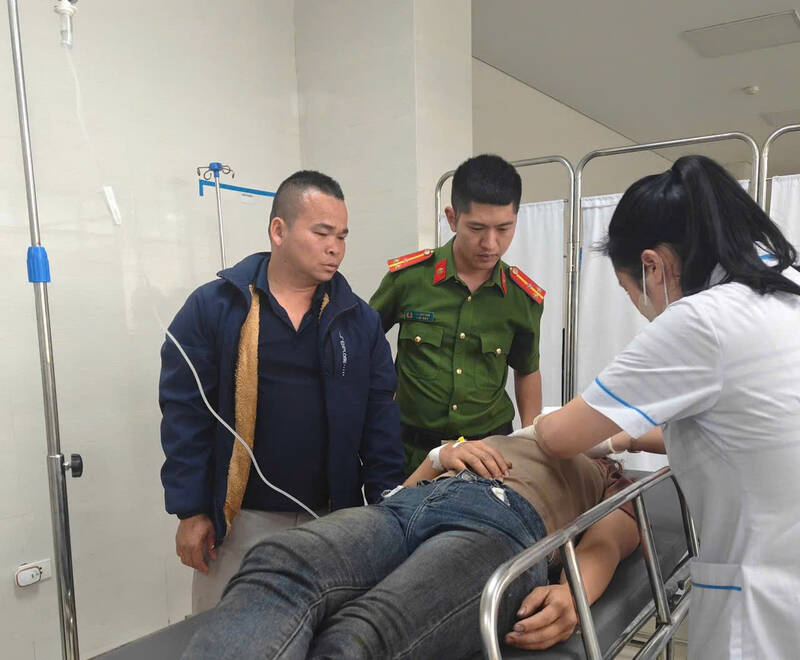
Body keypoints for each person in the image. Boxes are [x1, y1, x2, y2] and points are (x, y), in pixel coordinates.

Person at [523, 155, 800, 659]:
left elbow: (559, 437)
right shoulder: (785, 287)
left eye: (632, 292)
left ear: (653, 265)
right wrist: (626, 436)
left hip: (768, 601)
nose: (642, 307)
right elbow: (744, 428)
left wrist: (537, 427)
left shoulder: (702, 320)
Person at [159, 170, 404, 613]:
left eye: (343, 237)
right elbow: (185, 413)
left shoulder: (359, 320)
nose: (335, 248)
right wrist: (191, 510)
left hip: (331, 520)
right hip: (238, 523)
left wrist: (387, 511)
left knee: (323, 636)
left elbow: (379, 419)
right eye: (322, 232)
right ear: (279, 230)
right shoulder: (216, 308)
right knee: (228, 637)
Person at [181, 431, 640, 659]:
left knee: (366, 633)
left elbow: (612, 542)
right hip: (407, 507)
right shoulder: (515, 433)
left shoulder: (606, 473)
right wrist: (436, 458)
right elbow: (402, 494)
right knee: (279, 561)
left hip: (501, 527)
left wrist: (572, 596)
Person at [370, 154, 545, 474]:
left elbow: (527, 369)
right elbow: (363, 341)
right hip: (411, 449)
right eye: (477, 228)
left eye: (504, 228)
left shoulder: (521, 298)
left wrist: (531, 442)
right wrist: (377, 402)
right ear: (452, 218)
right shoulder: (409, 279)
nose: (490, 244)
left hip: (489, 453)